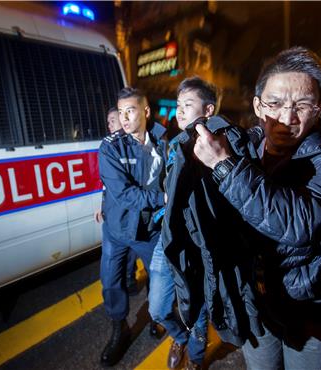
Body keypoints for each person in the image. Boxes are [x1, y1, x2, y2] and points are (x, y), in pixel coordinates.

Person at [192, 46, 321, 369]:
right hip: (253, 300)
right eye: (275, 104)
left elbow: (304, 223)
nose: (287, 118)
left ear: (320, 106)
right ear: (257, 105)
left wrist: (225, 168)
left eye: (302, 105)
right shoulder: (242, 146)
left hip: (306, 303)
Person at [148, 77, 217, 370]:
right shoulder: (174, 143)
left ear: (209, 110)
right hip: (168, 238)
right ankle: (181, 337)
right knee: (158, 308)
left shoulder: (219, 145)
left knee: (197, 308)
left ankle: (197, 360)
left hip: (198, 244)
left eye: (188, 105)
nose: (180, 111)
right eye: (178, 105)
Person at [98, 87, 167, 366]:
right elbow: (124, 194)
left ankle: (158, 315)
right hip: (117, 229)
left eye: (131, 111)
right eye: (121, 111)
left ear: (146, 111)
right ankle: (120, 329)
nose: (124, 118)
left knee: (159, 277)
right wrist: (163, 197)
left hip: (150, 228)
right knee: (111, 282)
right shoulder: (111, 146)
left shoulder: (164, 139)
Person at [95, 107, 139, 296]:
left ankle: (129, 277)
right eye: (109, 121)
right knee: (111, 265)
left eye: (113, 119)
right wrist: (101, 206)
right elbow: (107, 185)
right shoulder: (109, 147)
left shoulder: (132, 147)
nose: (110, 124)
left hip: (130, 212)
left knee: (130, 253)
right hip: (113, 214)